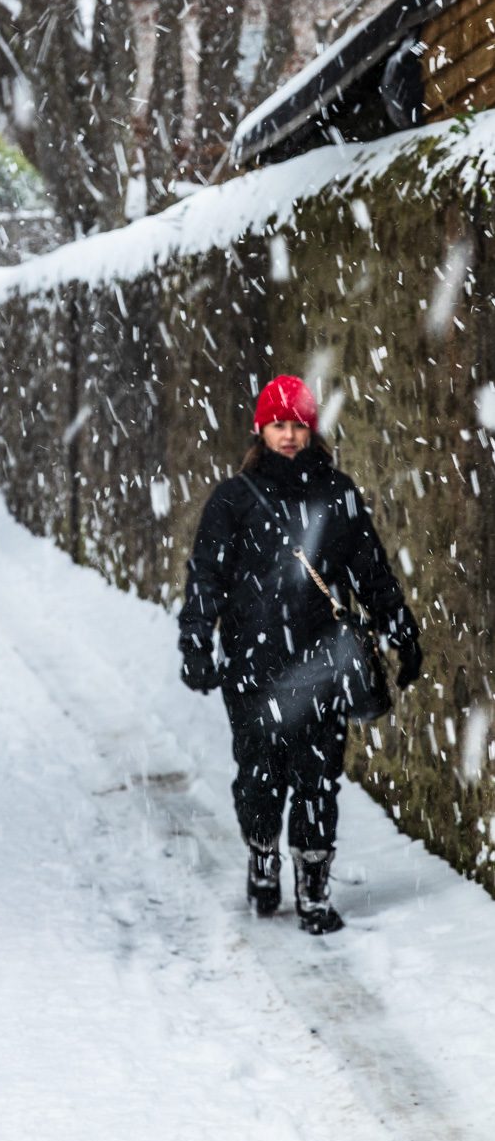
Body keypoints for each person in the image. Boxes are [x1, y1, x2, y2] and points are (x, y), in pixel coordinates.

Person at [179, 374, 423, 935]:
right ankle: (263, 854)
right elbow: (205, 579)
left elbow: (372, 573)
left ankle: (314, 887)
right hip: (253, 664)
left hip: (322, 663)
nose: (289, 435)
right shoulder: (234, 499)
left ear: (312, 430)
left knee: (318, 779)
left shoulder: (337, 495)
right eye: (279, 424)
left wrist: (400, 632)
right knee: (259, 778)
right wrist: (196, 642)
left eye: (298, 425)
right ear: (260, 428)